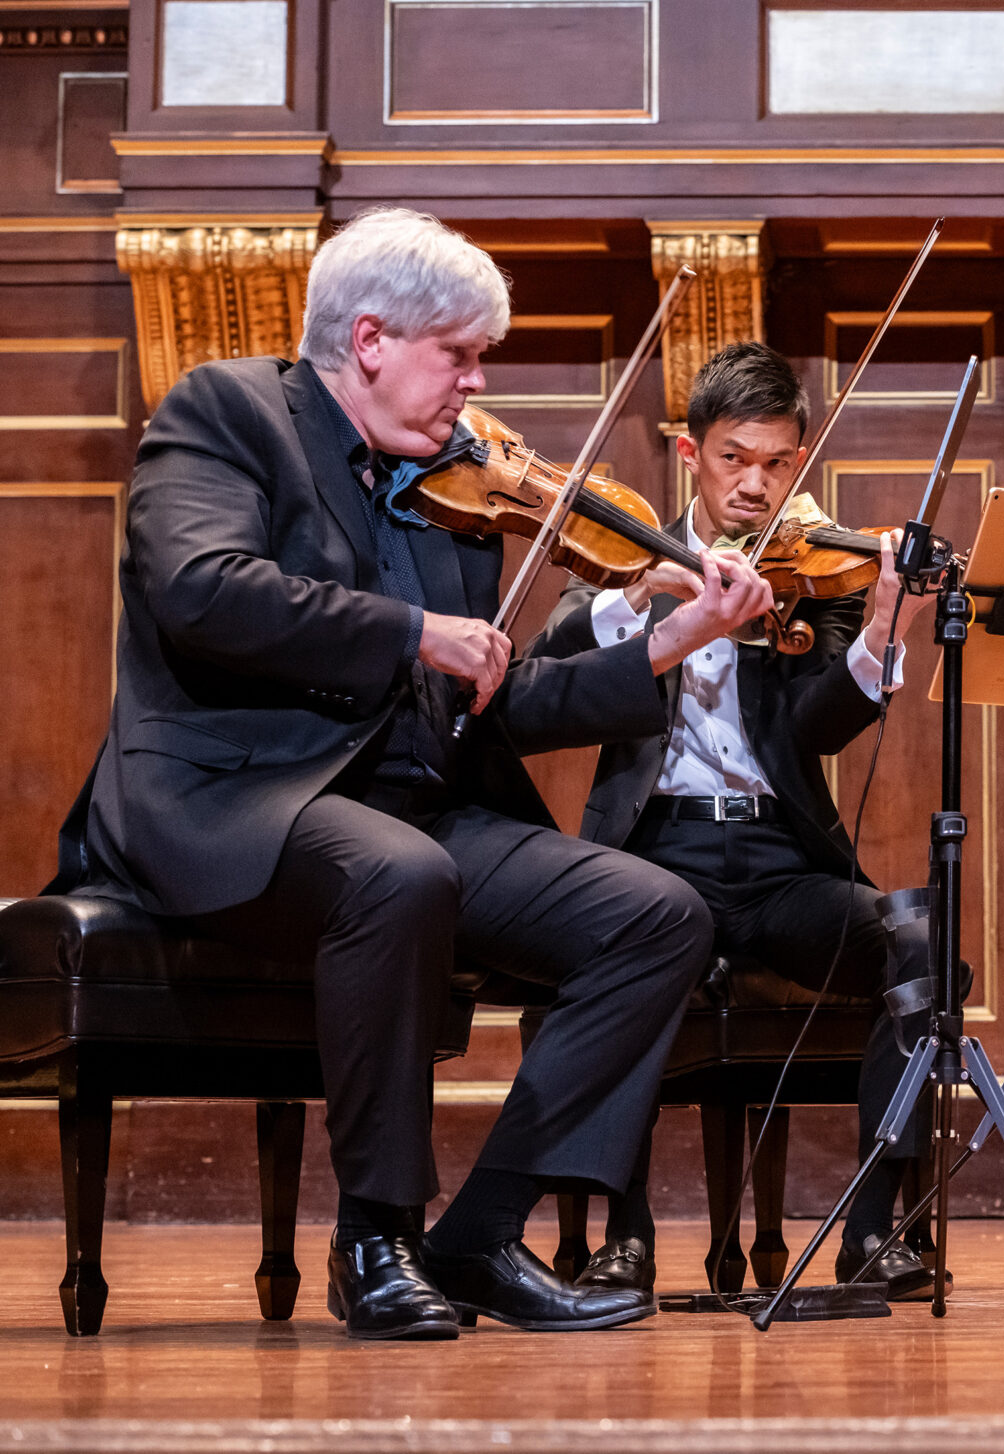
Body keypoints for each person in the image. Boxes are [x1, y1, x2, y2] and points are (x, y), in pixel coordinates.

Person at [48, 207, 775, 1339]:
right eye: (461, 354)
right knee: (396, 874)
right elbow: (201, 585)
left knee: (653, 914)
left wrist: (664, 647)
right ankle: (374, 1238)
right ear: (373, 339)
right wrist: (409, 631)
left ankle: (476, 1234)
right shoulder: (228, 411)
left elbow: (498, 696)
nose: (476, 386)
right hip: (234, 797)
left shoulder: (453, 485)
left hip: (410, 802)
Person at [530, 341, 945, 1299]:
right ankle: (625, 1238)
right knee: (616, 955)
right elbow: (552, 666)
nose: (755, 485)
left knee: (922, 945)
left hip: (777, 857)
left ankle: (874, 1230)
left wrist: (882, 629)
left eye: (777, 463)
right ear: (690, 452)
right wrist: (647, 602)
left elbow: (818, 731)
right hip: (653, 849)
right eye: (734, 459)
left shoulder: (812, 569)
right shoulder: (628, 547)